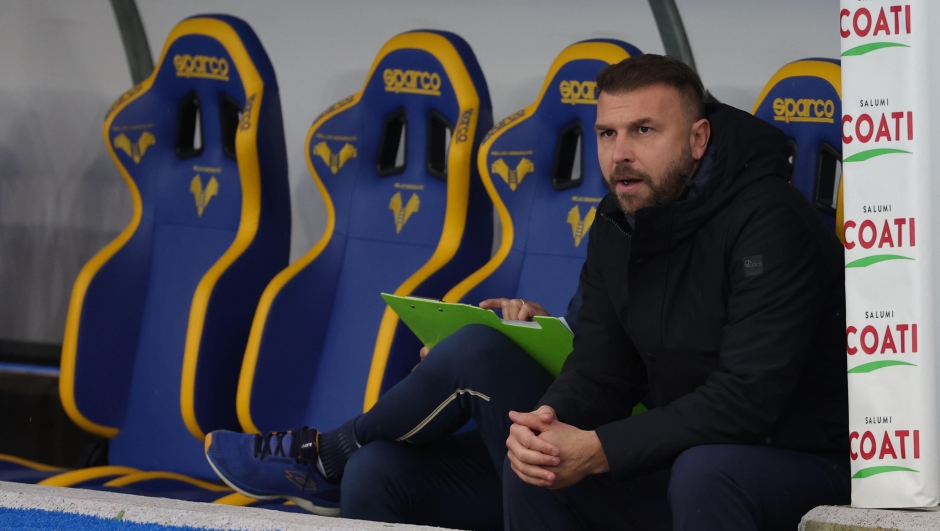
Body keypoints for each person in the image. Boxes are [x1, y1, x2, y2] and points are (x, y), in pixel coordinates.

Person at [502, 54, 849, 531]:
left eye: (643, 130)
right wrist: (547, 422)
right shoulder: (616, 222)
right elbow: (600, 371)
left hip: (809, 462)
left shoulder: (771, 220)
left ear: (698, 138)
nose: (620, 153)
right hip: (695, 456)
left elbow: (747, 399)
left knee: (706, 472)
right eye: (607, 134)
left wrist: (600, 449)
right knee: (539, 468)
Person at [205, 294, 576, 530]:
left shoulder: (627, 226)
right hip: (541, 451)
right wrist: (541, 330)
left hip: (606, 467)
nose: (618, 162)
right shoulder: (614, 226)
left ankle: (328, 453)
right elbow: (590, 350)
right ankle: (335, 460)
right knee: (372, 470)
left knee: (476, 353)